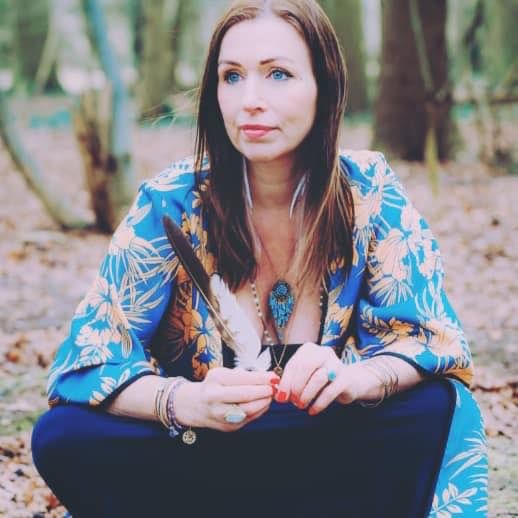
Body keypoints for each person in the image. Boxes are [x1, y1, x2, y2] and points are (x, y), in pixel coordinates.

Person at [32, 0, 488, 516]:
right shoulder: (171, 203)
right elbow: (86, 362)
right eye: (232, 76)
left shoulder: (369, 193)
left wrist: (353, 379)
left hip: (325, 453)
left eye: (278, 74)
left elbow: (432, 341)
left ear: (324, 86)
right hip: (204, 459)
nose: (250, 100)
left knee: (442, 406)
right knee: (64, 432)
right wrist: (185, 402)